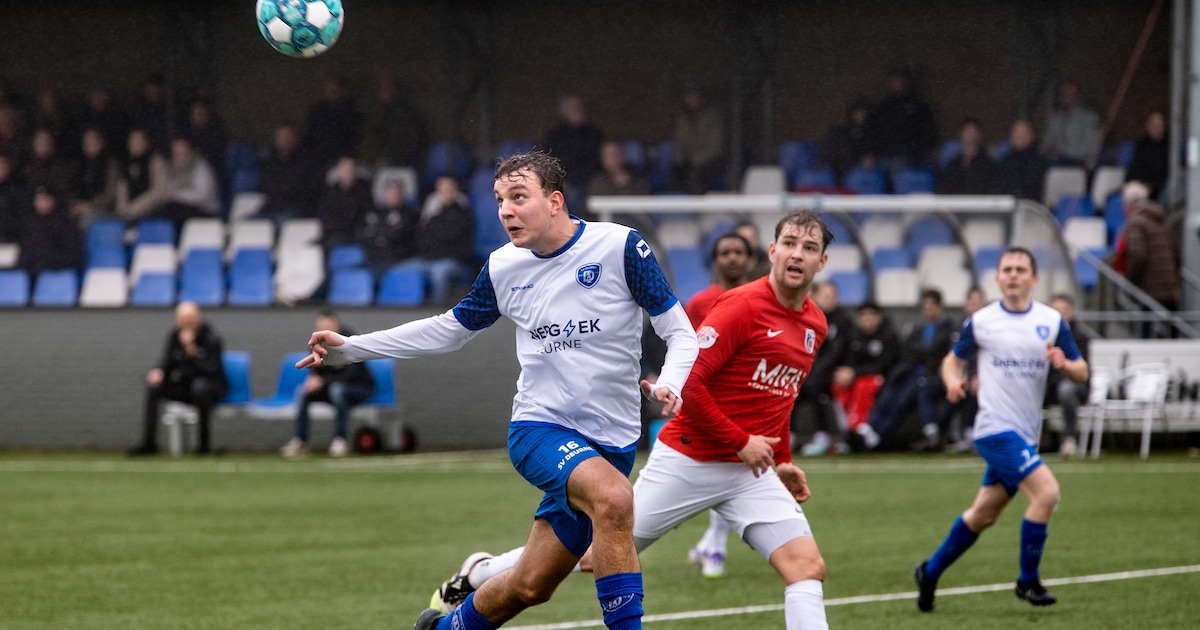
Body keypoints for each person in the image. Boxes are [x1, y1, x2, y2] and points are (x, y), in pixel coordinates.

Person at [298, 151, 699, 630]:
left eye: (518, 197)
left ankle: (444, 628)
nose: (505, 210)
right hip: (539, 428)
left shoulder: (620, 247)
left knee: (531, 585)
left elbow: (680, 333)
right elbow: (449, 329)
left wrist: (671, 381)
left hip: (611, 441)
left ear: (555, 202)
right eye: (499, 200)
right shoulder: (503, 267)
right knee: (615, 500)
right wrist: (351, 348)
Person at [429, 210, 835, 630]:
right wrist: (738, 440)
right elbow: (689, 382)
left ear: (822, 262)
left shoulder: (814, 323)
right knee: (591, 554)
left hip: (748, 471)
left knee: (806, 567)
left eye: (809, 248)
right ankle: (482, 571)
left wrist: (782, 459)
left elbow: (781, 400)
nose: (797, 255)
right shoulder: (742, 307)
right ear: (772, 251)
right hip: (689, 461)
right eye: (789, 244)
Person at [913, 246, 1088, 612]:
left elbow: (1082, 370)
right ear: (997, 278)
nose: (1012, 274)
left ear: (1033, 279)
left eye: (1020, 269)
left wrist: (1064, 364)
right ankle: (1028, 581)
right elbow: (952, 360)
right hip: (994, 430)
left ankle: (929, 572)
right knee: (1047, 494)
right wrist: (952, 381)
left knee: (982, 516)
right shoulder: (981, 321)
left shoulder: (1052, 321)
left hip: (1025, 435)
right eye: (1006, 269)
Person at [678, 230, 753, 579]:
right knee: (714, 475)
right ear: (716, 260)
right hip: (706, 399)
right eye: (726, 252)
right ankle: (711, 545)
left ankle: (715, 548)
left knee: (734, 471)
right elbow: (687, 351)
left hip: (746, 398)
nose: (733, 258)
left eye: (739, 252)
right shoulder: (698, 303)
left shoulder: (759, 299)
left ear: (750, 259)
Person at [851, 289, 956, 451]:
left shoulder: (949, 329)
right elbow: (910, 352)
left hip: (936, 377)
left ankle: (877, 434)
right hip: (915, 373)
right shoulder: (919, 330)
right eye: (925, 306)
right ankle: (871, 428)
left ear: (940, 306)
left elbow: (942, 355)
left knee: (905, 397)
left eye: (932, 306)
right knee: (892, 390)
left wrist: (925, 356)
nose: (928, 310)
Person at [128, 301, 228, 456]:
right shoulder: (175, 336)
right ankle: (149, 444)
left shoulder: (211, 338)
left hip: (211, 388)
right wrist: (159, 372)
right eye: (183, 320)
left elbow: (211, 369)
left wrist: (191, 350)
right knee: (154, 388)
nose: (186, 323)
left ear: (198, 318)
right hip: (186, 388)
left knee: (200, 387)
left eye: (190, 319)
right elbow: (167, 361)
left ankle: (203, 447)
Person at [281, 310, 376, 459]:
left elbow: (353, 374)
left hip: (359, 388)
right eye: (320, 328)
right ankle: (301, 441)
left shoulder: (350, 340)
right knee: (303, 392)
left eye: (328, 327)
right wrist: (312, 380)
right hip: (331, 389)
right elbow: (316, 371)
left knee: (337, 390)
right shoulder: (316, 343)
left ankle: (341, 440)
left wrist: (323, 381)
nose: (323, 332)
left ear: (336, 326)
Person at [796, 280, 856, 457]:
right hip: (813, 369)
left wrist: (850, 369)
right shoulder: (809, 318)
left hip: (834, 371)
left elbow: (841, 351)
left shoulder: (844, 321)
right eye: (825, 296)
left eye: (832, 296)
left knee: (815, 386)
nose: (829, 299)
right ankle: (790, 434)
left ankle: (826, 435)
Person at [396, 175, 474, 304]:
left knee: (439, 274)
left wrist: (435, 236)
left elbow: (452, 239)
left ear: (456, 191)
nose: (445, 192)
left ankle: (436, 311)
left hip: (452, 261)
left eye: (449, 188)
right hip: (427, 259)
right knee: (399, 270)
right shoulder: (433, 214)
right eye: (441, 189)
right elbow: (422, 236)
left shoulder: (464, 214)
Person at [830, 301, 901, 436]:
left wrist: (855, 373)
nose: (866, 318)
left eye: (871, 314)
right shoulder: (854, 336)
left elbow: (884, 364)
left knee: (864, 385)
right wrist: (846, 371)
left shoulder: (888, 336)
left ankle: (859, 427)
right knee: (838, 385)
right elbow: (849, 359)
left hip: (884, 379)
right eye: (863, 315)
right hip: (858, 377)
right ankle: (846, 426)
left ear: (879, 317)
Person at [1120, 180, 1179, 338]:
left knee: (1146, 334)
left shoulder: (1136, 223)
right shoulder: (1161, 219)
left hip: (1149, 288)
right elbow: (1176, 252)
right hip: (1169, 286)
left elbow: (1138, 256)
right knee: (1172, 332)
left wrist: (1131, 282)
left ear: (1130, 204)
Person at [870, 65, 938, 177]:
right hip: (882, 156)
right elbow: (873, 131)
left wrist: (913, 152)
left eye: (901, 79)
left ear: (907, 82)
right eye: (894, 80)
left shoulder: (918, 106)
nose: (898, 83)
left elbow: (927, 133)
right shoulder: (882, 106)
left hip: (906, 158)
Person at [1045, 293, 1090, 458]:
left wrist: (1064, 366)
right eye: (1055, 312)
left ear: (1071, 312)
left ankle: (1069, 439)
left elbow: (1083, 371)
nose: (1059, 317)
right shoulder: (1042, 336)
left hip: (1074, 385)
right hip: (1049, 384)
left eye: (1062, 312)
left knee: (1066, 390)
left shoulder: (1079, 336)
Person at [542, 95, 605, 210]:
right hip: (564, 182)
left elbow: (598, 162)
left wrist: (587, 180)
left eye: (580, 108)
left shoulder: (594, 134)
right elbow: (547, 162)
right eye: (573, 109)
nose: (578, 112)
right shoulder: (554, 136)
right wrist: (561, 181)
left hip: (591, 181)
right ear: (564, 113)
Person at [17, 185, 83, 281]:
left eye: (45, 199)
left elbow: (74, 255)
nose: (42, 203)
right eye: (39, 200)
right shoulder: (29, 223)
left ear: (53, 200)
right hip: (32, 273)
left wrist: (49, 263)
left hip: (58, 273)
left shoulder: (64, 224)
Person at [257, 123, 319, 222]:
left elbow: (306, 191)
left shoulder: (306, 162)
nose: (284, 140)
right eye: (280, 136)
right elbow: (263, 187)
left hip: (296, 210)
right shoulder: (270, 163)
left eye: (287, 136)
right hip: (271, 209)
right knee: (246, 222)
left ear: (295, 138)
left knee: (281, 221)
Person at [670, 85, 725, 194]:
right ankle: (677, 206)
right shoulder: (682, 118)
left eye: (694, 97)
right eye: (689, 97)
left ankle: (697, 207)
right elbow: (679, 142)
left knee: (696, 175)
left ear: (701, 98)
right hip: (688, 161)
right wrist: (680, 160)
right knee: (673, 173)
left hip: (711, 161)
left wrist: (696, 161)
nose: (691, 100)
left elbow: (715, 146)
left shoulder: (713, 117)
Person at [358, 178, 420, 274]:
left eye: (396, 193)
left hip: (397, 259)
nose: (393, 196)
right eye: (390, 193)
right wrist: (380, 237)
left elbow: (398, 234)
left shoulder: (410, 214)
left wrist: (377, 235)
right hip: (372, 257)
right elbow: (361, 233)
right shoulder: (374, 211)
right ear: (384, 194)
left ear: (402, 195)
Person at [303, 74, 361, 171]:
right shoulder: (318, 110)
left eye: (335, 88)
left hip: (342, 156)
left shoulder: (350, 110)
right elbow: (310, 133)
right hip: (319, 156)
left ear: (342, 90)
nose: (332, 91)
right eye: (329, 88)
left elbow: (353, 135)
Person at [317, 155, 373, 249]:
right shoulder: (331, 191)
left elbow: (367, 213)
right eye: (345, 169)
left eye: (351, 168)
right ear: (339, 170)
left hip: (358, 230)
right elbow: (328, 216)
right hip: (338, 232)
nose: (348, 172)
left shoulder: (364, 188)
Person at [114, 128, 169, 221]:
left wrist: (134, 208)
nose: (135, 143)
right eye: (132, 140)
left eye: (139, 140)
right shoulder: (126, 163)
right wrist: (123, 208)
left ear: (146, 143)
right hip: (126, 212)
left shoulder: (156, 161)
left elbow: (159, 190)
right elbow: (122, 188)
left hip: (150, 210)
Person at [1041, 81, 1101, 167]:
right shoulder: (1056, 117)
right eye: (1064, 93)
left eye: (1070, 92)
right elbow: (1047, 140)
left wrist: (1065, 152)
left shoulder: (1090, 117)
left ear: (1078, 94)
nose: (1066, 96)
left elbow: (1093, 146)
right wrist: (1047, 151)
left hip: (1079, 161)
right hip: (1055, 160)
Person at [69, 128, 119, 227]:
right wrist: (75, 204)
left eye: (93, 140)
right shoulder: (77, 165)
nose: (90, 143)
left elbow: (110, 196)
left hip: (104, 208)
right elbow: (70, 190)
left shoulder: (110, 165)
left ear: (101, 142)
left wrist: (90, 204)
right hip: (78, 207)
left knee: (87, 218)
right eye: (86, 141)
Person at [819, 97, 877, 180]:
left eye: (863, 111)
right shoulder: (842, 131)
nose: (861, 114)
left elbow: (870, 149)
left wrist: (868, 157)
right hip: (843, 166)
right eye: (858, 111)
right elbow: (841, 152)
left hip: (859, 169)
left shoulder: (871, 130)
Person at [992, 120, 1048, 202]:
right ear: (1010, 136)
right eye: (1017, 132)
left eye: (1024, 132)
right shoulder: (1003, 162)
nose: (1020, 136)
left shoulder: (1040, 162)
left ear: (1032, 136)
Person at [937, 118, 995, 195]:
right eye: (967, 131)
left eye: (974, 131)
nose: (970, 135)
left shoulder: (989, 165)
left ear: (980, 135)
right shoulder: (953, 165)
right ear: (961, 134)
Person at [1125, 110, 1169, 201]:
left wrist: (1151, 185)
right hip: (1140, 183)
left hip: (1159, 186)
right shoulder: (1141, 145)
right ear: (1147, 125)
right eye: (1153, 124)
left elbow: (1165, 170)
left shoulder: (1169, 146)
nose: (1156, 127)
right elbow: (1136, 167)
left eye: (1159, 124)